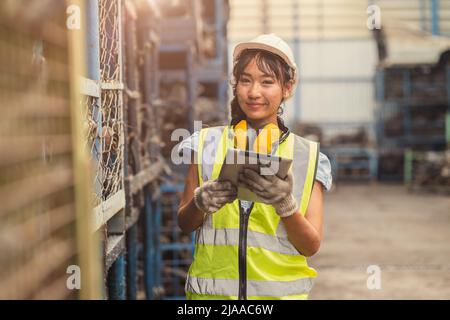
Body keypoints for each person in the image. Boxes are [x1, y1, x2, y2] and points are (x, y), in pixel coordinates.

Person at [177, 34, 332, 300]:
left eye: (267, 82)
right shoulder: (206, 144)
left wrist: (286, 205)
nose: (253, 92)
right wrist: (199, 203)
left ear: (287, 87)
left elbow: (310, 245)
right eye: (245, 80)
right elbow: (184, 223)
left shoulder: (307, 156)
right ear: (235, 85)